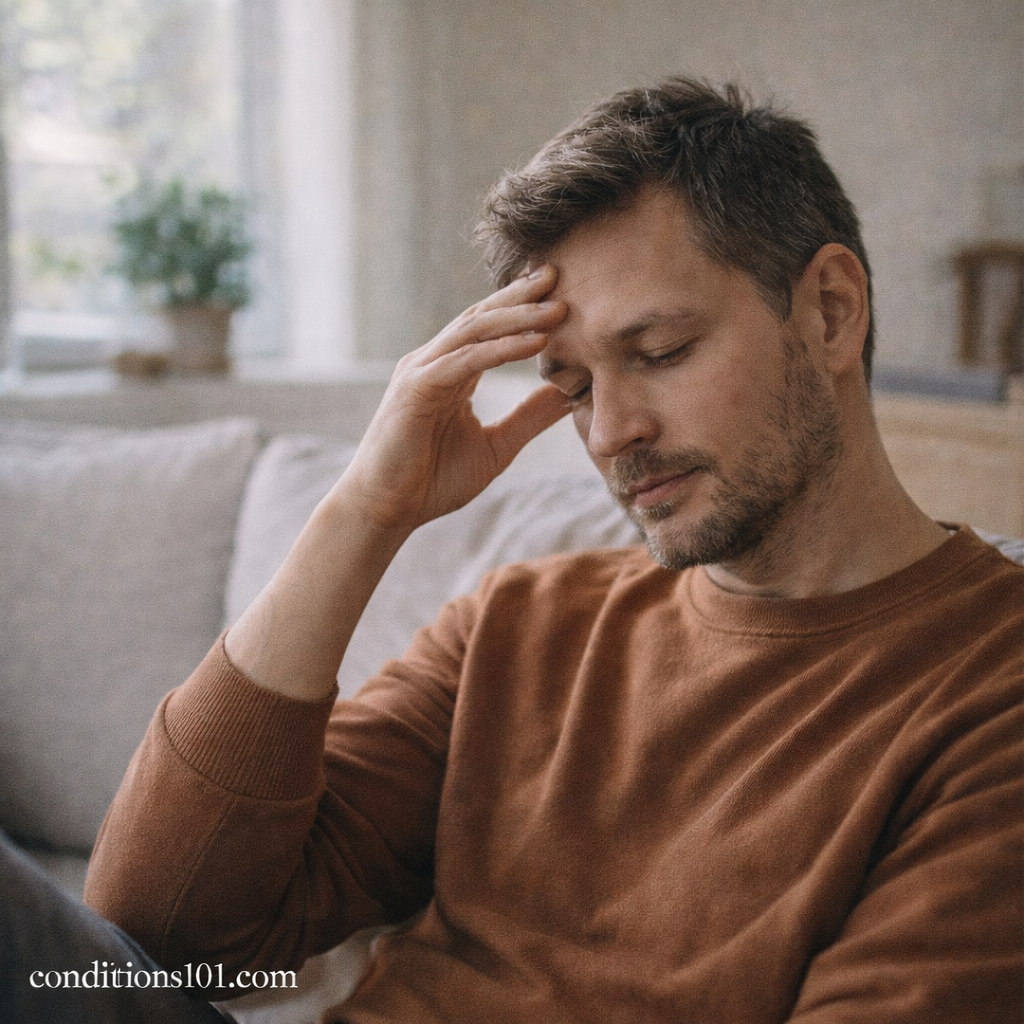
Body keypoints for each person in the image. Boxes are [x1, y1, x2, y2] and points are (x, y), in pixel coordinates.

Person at [7, 76, 1022, 1023]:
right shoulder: (520, 622)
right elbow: (157, 930)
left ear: (831, 311)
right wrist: (365, 510)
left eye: (659, 352)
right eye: (573, 386)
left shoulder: (991, 689)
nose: (609, 432)